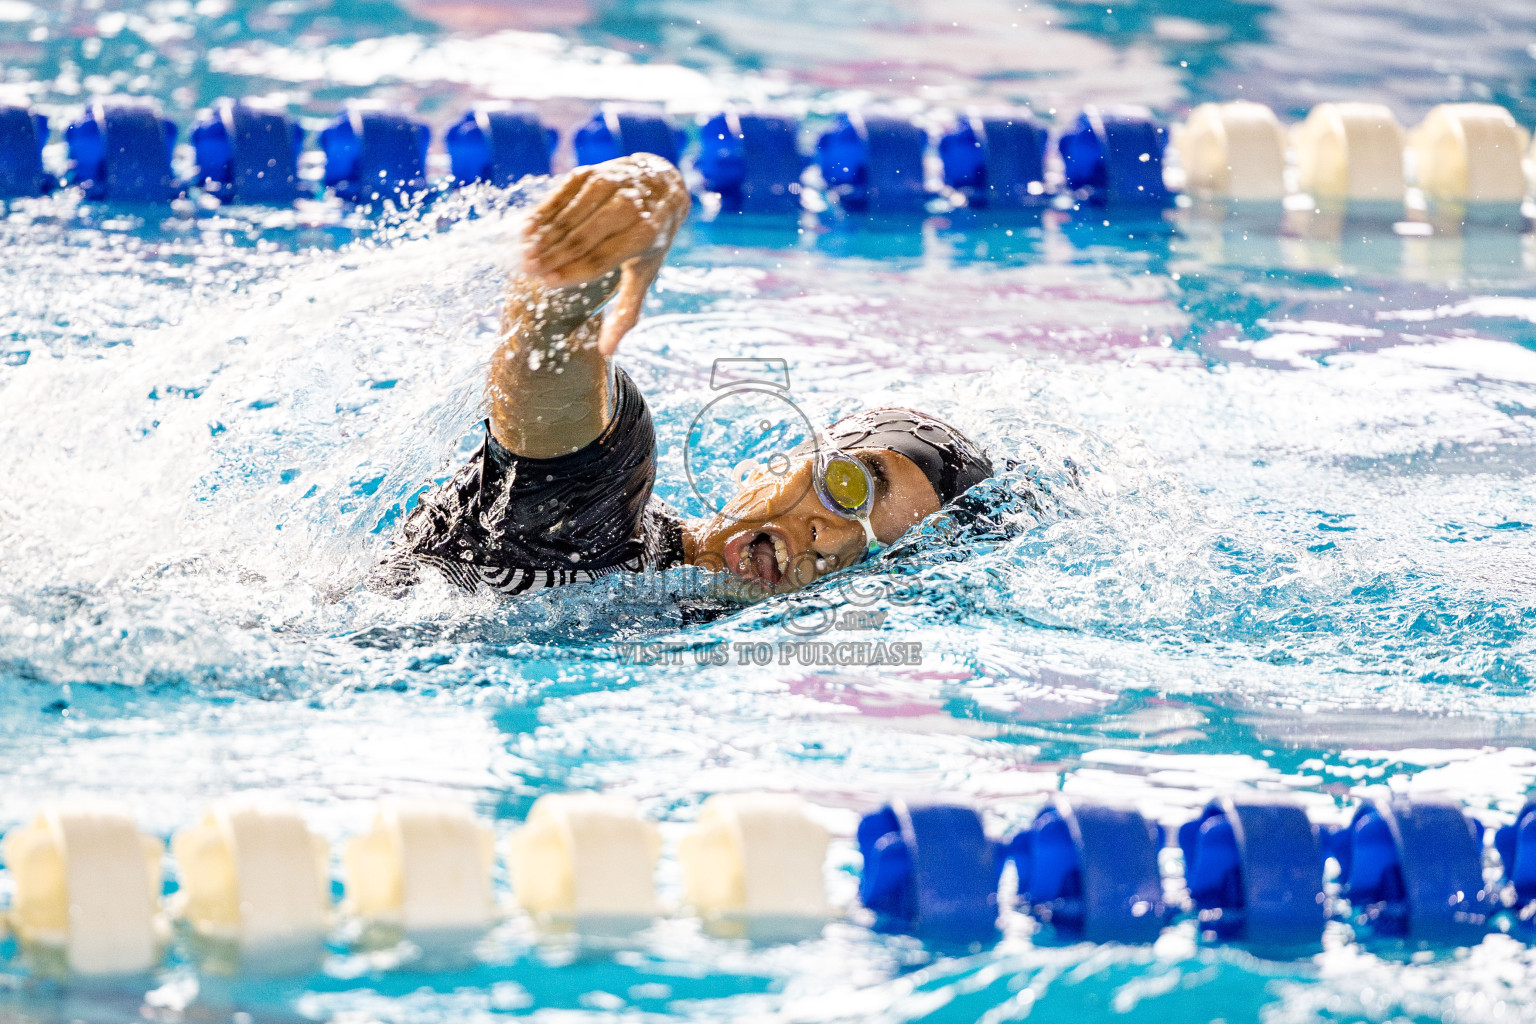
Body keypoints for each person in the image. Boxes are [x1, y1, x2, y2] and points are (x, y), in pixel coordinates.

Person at [372, 154, 992, 598]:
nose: (829, 539)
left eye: (878, 549)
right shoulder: (602, 517)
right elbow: (546, 347)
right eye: (850, 488)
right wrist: (633, 207)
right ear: (774, 463)